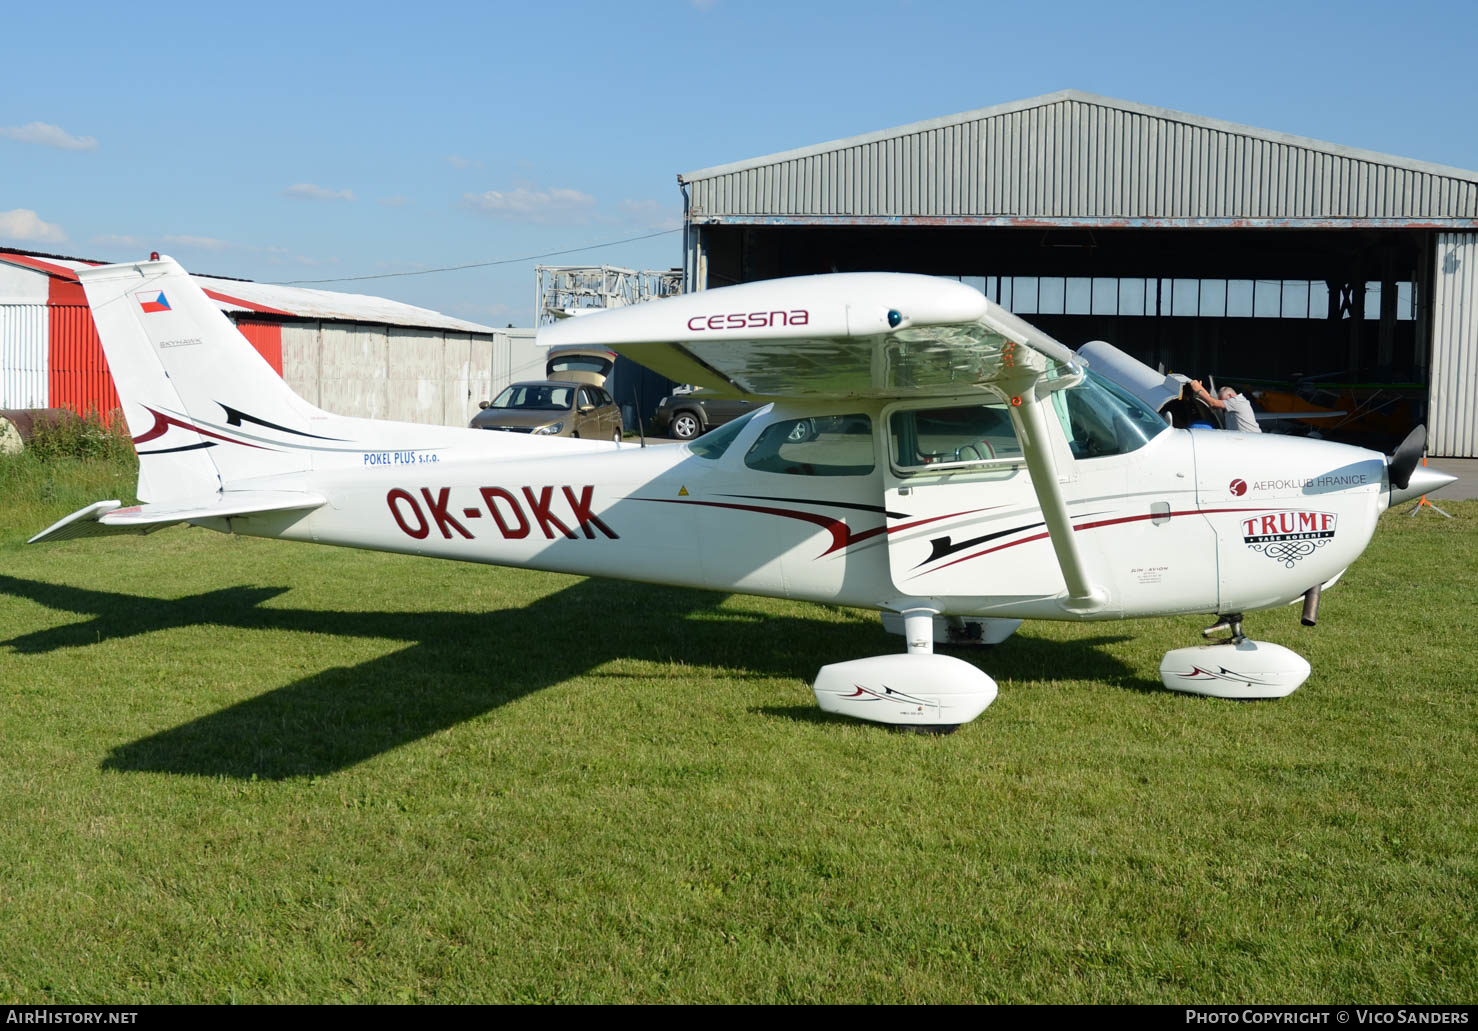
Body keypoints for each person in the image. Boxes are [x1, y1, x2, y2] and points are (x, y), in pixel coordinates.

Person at [1191, 380, 1261, 433]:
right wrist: (1200, 390)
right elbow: (1212, 401)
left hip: (1253, 441)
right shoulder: (1233, 403)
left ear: (1230, 396)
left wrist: (1198, 390)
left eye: (1223, 400)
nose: (1222, 405)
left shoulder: (1237, 401)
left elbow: (1213, 403)